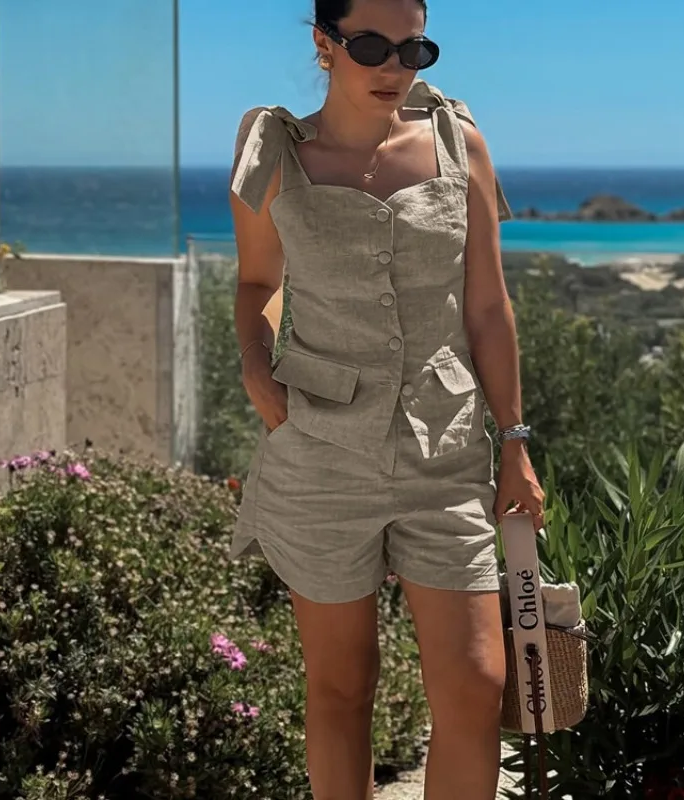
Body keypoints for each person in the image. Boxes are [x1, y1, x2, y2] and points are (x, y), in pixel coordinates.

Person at [228, 0, 545, 797]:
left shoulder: (459, 142)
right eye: (371, 46)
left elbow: (488, 307)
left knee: (476, 683)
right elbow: (257, 282)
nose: (395, 67)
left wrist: (515, 442)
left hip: (447, 450)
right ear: (323, 44)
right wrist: (257, 366)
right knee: (342, 686)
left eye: (415, 49)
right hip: (319, 449)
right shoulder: (274, 149)